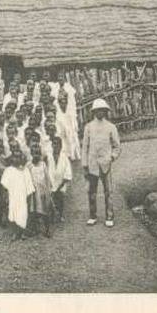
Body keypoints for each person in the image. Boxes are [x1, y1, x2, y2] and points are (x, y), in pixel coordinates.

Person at [82, 98, 121, 227]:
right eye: (97, 111)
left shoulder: (110, 127)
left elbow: (117, 146)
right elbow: (85, 147)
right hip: (92, 164)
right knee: (91, 191)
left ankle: (109, 216)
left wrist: (112, 157)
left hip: (106, 164)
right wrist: (85, 164)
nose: (100, 113)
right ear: (94, 112)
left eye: (102, 111)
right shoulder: (88, 127)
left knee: (108, 191)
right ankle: (93, 215)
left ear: (105, 112)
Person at [1, 149, 35, 240]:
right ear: (12, 158)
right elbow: (4, 185)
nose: (17, 159)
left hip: (23, 196)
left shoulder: (25, 171)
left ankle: (22, 232)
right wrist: (6, 197)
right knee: (12, 213)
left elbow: (29, 185)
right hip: (12, 196)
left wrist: (29, 197)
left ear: (21, 158)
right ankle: (15, 233)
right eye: (15, 157)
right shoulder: (8, 170)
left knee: (23, 213)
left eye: (19, 157)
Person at [27, 143, 54, 238]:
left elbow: (47, 178)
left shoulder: (43, 165)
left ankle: (47, 229)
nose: (36, 155)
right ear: (31, 154)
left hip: (42, 192)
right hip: (34, 192)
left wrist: (49, 189)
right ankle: (33, 229)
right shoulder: (29, 165)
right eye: (34, 153)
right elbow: (27, 178)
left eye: (38, 153)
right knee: (33, 211)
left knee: (45, 211)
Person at [48, 136, 72, 222]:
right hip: (50, 182)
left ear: (61, 146)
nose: (55, 146)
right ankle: (51, 215)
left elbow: (67, 174)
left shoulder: (64, 158)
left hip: (61, 183)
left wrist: (59, 186)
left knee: (59, 198)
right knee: (50, 200)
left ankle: (60, 214)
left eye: (57, 144)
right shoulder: (48, 157)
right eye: (54, 144)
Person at [56, 90, 81, 160]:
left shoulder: (70, 110)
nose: (63, 105)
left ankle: (77, 154)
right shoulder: (58, 114)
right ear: (59, 103)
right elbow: (59, 123)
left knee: (74, 140)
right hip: (63, 131)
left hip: (71, 129)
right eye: (61, 103)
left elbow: (73, 120)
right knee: (65, 142)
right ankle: (69, 155)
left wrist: (74, 128)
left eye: (65, 103)